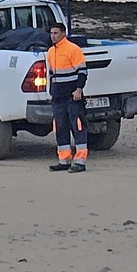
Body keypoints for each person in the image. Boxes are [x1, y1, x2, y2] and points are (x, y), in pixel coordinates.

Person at [45, 21, 88, 173]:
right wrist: (51, 92)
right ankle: (64, 160)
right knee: (60, 128)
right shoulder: (51, 52)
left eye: (56, 33)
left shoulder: (73, 49)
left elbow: (82, 72)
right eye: (51, 33)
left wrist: (78, 90)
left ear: (63, 34)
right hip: (58, 98)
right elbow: (51, 74)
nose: (53, 36)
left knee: (78, 127)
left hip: (72, 97)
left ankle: (80, 161)